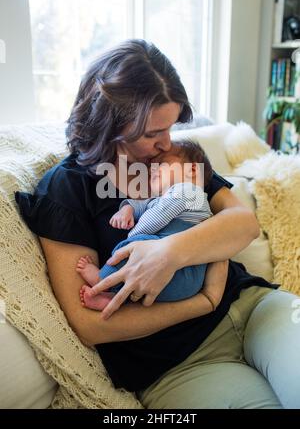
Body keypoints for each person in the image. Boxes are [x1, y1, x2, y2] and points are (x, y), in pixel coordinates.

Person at [15, 39, 300, 408]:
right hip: (180, 366)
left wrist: (169, 252)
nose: (167, 142)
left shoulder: (173, 159)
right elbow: (90, 324)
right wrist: (203, 301)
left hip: (254, 307)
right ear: (110, 123)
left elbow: (242, 223)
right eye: (153, 133)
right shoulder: (67, 188)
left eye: (172, 126)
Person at [77, 139, 217, 310]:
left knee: (141, 243)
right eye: (151, 170)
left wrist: (133, 237)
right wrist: (127, 209)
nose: (153, 171)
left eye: (161, 165)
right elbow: (144, 204)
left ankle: (103, 280)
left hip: (183, 273)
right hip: (180, 281)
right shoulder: (167, 197)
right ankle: (112, 297)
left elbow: (157, 216)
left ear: (192, 169)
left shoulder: (188, 191)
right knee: (144, 253)